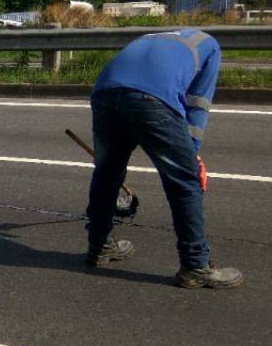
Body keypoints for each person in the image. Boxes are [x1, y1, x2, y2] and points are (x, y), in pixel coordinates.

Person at [84, 28, 243, 289]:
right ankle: (195, 266)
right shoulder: (210, 46)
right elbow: (197, 103)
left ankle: (99, 245)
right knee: (184, 184)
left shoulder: (150, 38)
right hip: (151, 100)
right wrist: (192, 157)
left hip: (104, 93)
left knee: (107, 173)